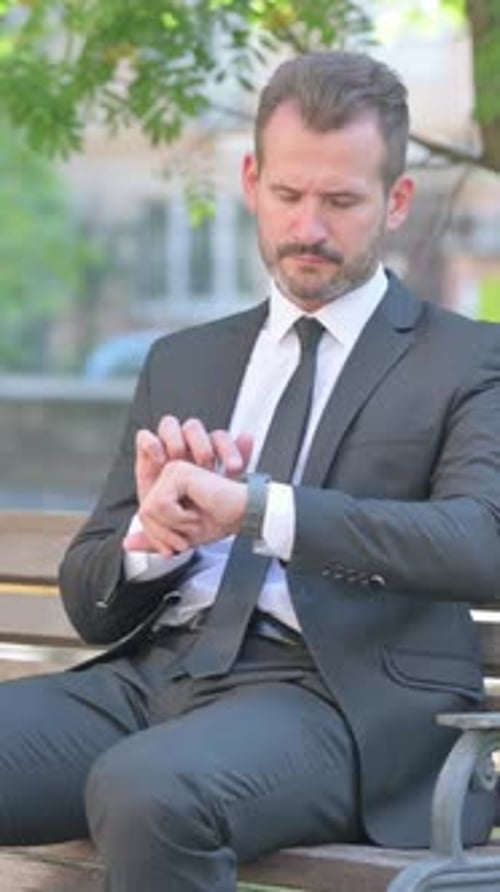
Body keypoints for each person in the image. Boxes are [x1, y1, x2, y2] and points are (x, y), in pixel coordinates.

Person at [1, 50, 500, 892]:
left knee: (150, 789)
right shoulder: (184, 359)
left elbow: (481, 541)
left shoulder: (468, 358)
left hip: (337, 705)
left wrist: (260, 509)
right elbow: (91, 595)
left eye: (340, 202)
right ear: (250, 180)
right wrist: (150, 542)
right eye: (288, 195)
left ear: (397, 201)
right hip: (155, 676)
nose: (308, 227)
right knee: (142, 772)